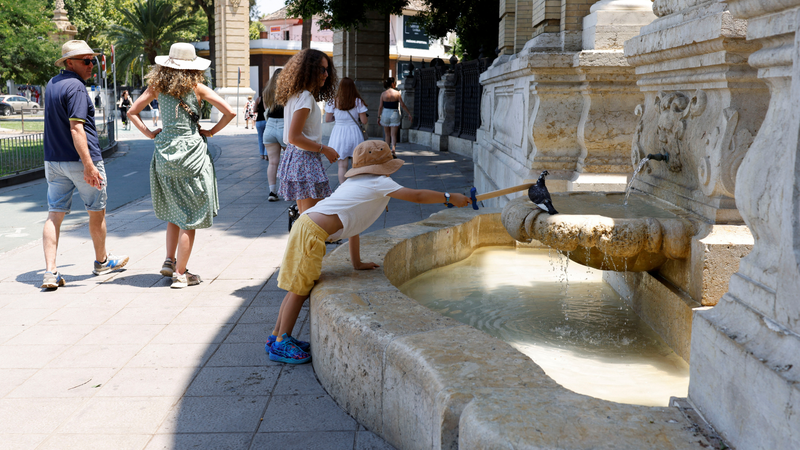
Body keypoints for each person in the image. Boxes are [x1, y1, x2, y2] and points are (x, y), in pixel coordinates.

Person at [266, 140, 471, 363]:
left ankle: (277, 336)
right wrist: (449, 198)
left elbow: (352, 226)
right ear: (385, 166)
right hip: (312, 232)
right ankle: (281, 344)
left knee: (297, 286)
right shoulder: (379, 183)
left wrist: (357, 262)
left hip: (307, 227)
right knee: (299, 289)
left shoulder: (353, 182)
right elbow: (418, 196)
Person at [127, 43, 235, 288]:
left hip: (165, 152)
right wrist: (211, 131)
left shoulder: (156, 87)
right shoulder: (198, 88)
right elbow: (229, 112)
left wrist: (150, 133)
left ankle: (169, 260)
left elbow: (132, 112)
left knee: (174, 211)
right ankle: (181, 273)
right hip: (192, 156)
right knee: (190, 217)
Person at [40, 40, 129, 289]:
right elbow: (76, 129)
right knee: (96, 211)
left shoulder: (53, 83)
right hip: (81, 161)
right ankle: (101, 262)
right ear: (70, 62)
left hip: (54, 161)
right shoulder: (77, 88)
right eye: (86, 61)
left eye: (94, 60)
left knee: (54, 214)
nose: (92, 65)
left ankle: (50, 272)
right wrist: (89, 165)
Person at [275, 48, 339, 214]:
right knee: (313, 219)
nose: (326, 74)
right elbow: (294, 136)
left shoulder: (296, 95)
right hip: (305, 158)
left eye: (327, 70)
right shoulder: (305, 97)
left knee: (306, 216)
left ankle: (301, 240)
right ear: (309, 70)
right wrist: (325, 149)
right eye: (322, 69)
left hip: (296, 156)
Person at [325, 77, 368, 185]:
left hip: (339, 133)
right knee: (356, 164)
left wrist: (338, 118)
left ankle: (342, 188)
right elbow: (364, 121)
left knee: (342, 165)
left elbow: (327, 119)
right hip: (354, 133)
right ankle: (354, 187)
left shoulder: (333, 101)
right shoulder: (358, 101)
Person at [262, 69, 285, 201]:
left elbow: (267, 110)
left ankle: (272, 192)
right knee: (289, 161)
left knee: (272, 163)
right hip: (283, 125)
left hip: (269, 126)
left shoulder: (266, 92)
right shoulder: (287, 91)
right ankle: (288, 191)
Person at [378, 77, 412, 158]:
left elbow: (380, 107)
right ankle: (393, 150)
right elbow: (402, 105)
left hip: (385, 113)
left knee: (387, 134)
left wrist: (378, 117)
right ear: (393, 84)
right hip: (394, 113)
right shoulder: (397, 93)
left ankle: (387, 152)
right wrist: (409, 113)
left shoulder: (383, 94)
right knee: (393, 134)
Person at [254, 92, 267, 160]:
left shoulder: (258, 99)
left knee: (260, 138)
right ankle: (266, 154)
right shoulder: (269, 99)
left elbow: (254, 110)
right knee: (267, 138)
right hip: (266, 120)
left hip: (259, 121)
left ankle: (261, 154)